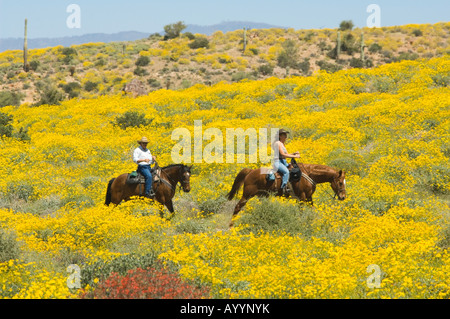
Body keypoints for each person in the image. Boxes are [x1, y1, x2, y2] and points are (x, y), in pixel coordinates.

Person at [272, 129, 300, 195]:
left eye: (286, 135)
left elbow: (287, 154)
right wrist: (295, 156)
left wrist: (294, 153)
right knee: (286, 172)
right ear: (279, 136)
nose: (286, 137)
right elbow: (283, 154)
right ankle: (284, 188)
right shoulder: (277, 143)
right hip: (278, 162)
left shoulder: (282, 144)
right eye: (284, 135)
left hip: (283, 161)